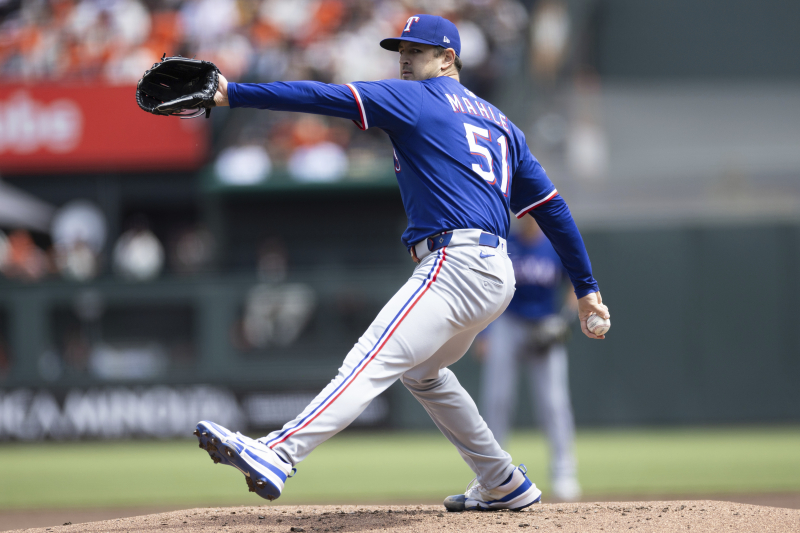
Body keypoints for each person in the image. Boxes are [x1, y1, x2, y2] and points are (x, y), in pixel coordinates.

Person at [194, 14, 609, 512]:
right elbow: (551, 208)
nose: (405, 59)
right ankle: (501, 480)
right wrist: (587, 288)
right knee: (423, 374)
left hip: (455, 264)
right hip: (496, 274)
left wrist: (233, 93)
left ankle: (278, 452)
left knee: (370, 359)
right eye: (401, 50)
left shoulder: (417, 98)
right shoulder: (502, 124)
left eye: (416, 50)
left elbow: (322, 96)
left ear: (448, 58)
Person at [478, 215, 582, 501]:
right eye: (522, 212)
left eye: (531, 212)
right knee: (497, 399)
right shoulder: (507, 245)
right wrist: (484, 332)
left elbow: (575, 283)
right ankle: (493, 476)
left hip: (544, 325)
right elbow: (489, 288)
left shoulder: (553, 245)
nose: (527, 217)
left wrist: (563, 319)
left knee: (554, 402)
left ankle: (564, 472)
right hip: (508, 324)